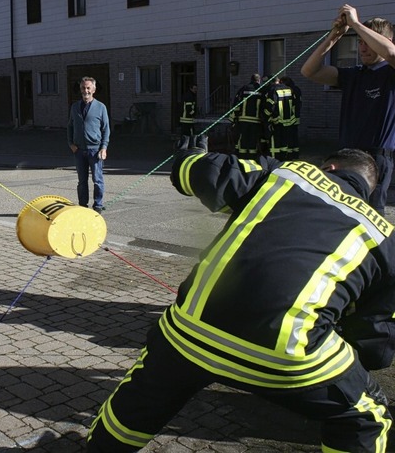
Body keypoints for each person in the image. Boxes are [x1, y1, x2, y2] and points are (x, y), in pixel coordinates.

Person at [87, 136, 395, 452]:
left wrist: (189, 153)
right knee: (366, 416)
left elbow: (196, 172)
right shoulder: (383, 236)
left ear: (329, 167)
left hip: (191, 333)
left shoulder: (287, 174)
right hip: (286, 355)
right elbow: (376, 341)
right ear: (367, 191)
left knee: (139, 401)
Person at [301, 4, 395, 215]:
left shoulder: (390, 71)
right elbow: (309, 71)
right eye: (360, 42)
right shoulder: (354, 74)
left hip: (375, 157)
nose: (362, 47)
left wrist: (355, 24)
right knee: (338, 210)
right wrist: (335, 36)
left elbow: (390, 53)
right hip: (346, 153)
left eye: (368, 42)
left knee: (368, 216)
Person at [67, 76, 110, 213]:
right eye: (83, 88)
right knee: (82, 181)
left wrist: (104, 147)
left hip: (95, 150)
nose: (85, 90)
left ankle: (97, 205)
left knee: (97, 180)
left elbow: (106, 129)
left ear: (94, 89)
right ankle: (83, 205)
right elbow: (70, 126)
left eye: (88, 88)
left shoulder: (101, 107)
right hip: (79, 150)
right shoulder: (75, 107)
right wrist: (71, 144)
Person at [261, 76, 296, 160]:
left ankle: (274, 160)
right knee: (284, 143)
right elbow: (294, 104)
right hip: (288, 121)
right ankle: (283, 159)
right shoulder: (289, 89)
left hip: (277, 121)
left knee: (275, 144)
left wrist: (265, 117)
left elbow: (270, 105)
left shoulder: (273, 90)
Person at [229, 74, 263, 158]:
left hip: (243, 120)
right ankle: (252, 157)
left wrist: (233, 118)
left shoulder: (244, 89)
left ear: (251, 79)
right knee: (253, 139)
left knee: (243, 139)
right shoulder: (261, 90)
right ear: (259, 80)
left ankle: (242, 157)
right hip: (256, 120)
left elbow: (236, 104)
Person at [279, 76, 301, 159]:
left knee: (288, 136)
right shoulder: (297, 89)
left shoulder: (288, 91)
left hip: (289, 117)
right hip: (296, 116)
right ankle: (295, 153)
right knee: (294, 136)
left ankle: (289, 154)